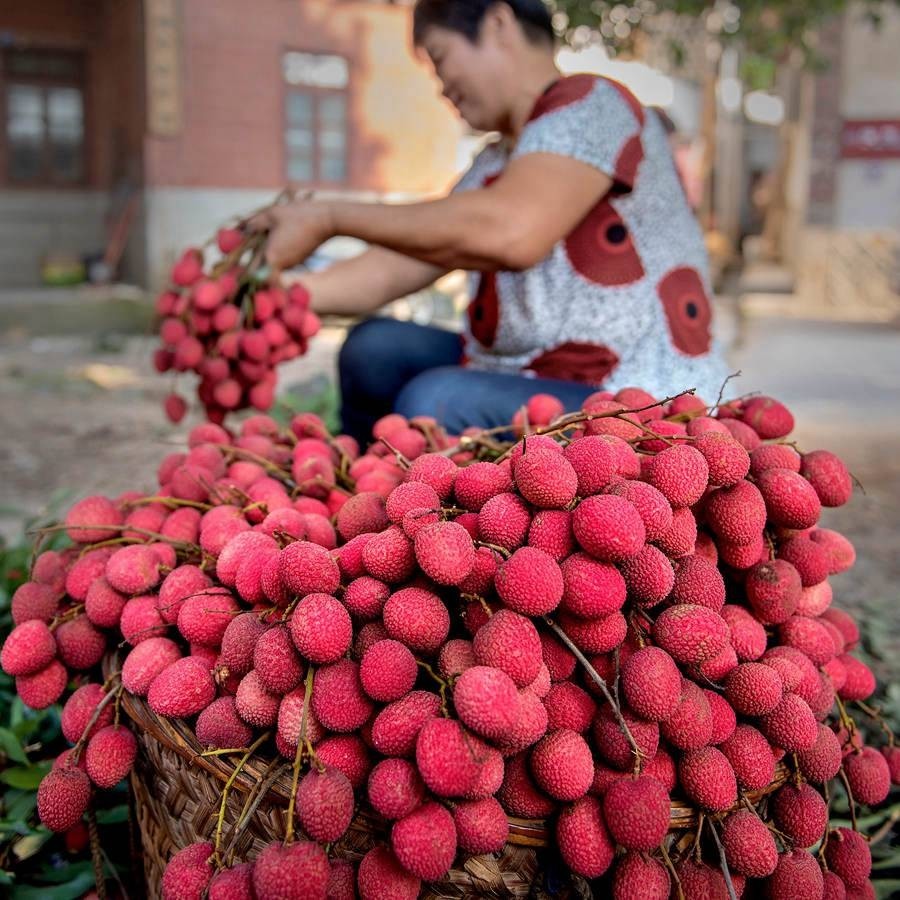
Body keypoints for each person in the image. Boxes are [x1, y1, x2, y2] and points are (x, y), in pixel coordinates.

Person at [252, 0, 729, 445]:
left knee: (434, 403)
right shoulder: (493, 163)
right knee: (373, 349)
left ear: (498, 23)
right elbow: (392, 267)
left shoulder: (594, 105)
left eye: (440, 59)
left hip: (635, 396)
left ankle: (417, 515)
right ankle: (359, 498)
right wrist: (270, 295)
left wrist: (330, 216)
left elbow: (512, 232)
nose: (441, 87)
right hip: (529, 379)